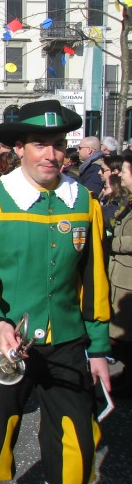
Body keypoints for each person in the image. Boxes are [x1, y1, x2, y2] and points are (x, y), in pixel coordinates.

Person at [0, 99, 111, 484]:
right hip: (8, 341)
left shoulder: (84, 202)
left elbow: (94, 279)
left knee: (77, 442)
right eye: (40, 143)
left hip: (68, 342)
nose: (51, 154)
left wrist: (99, 347)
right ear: (19, 148)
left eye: (58, 144)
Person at [109, 155, 132, 398]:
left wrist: (113, 241)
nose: (121, 175)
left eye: (125, 170)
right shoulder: (129, 200)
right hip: (123, 277)